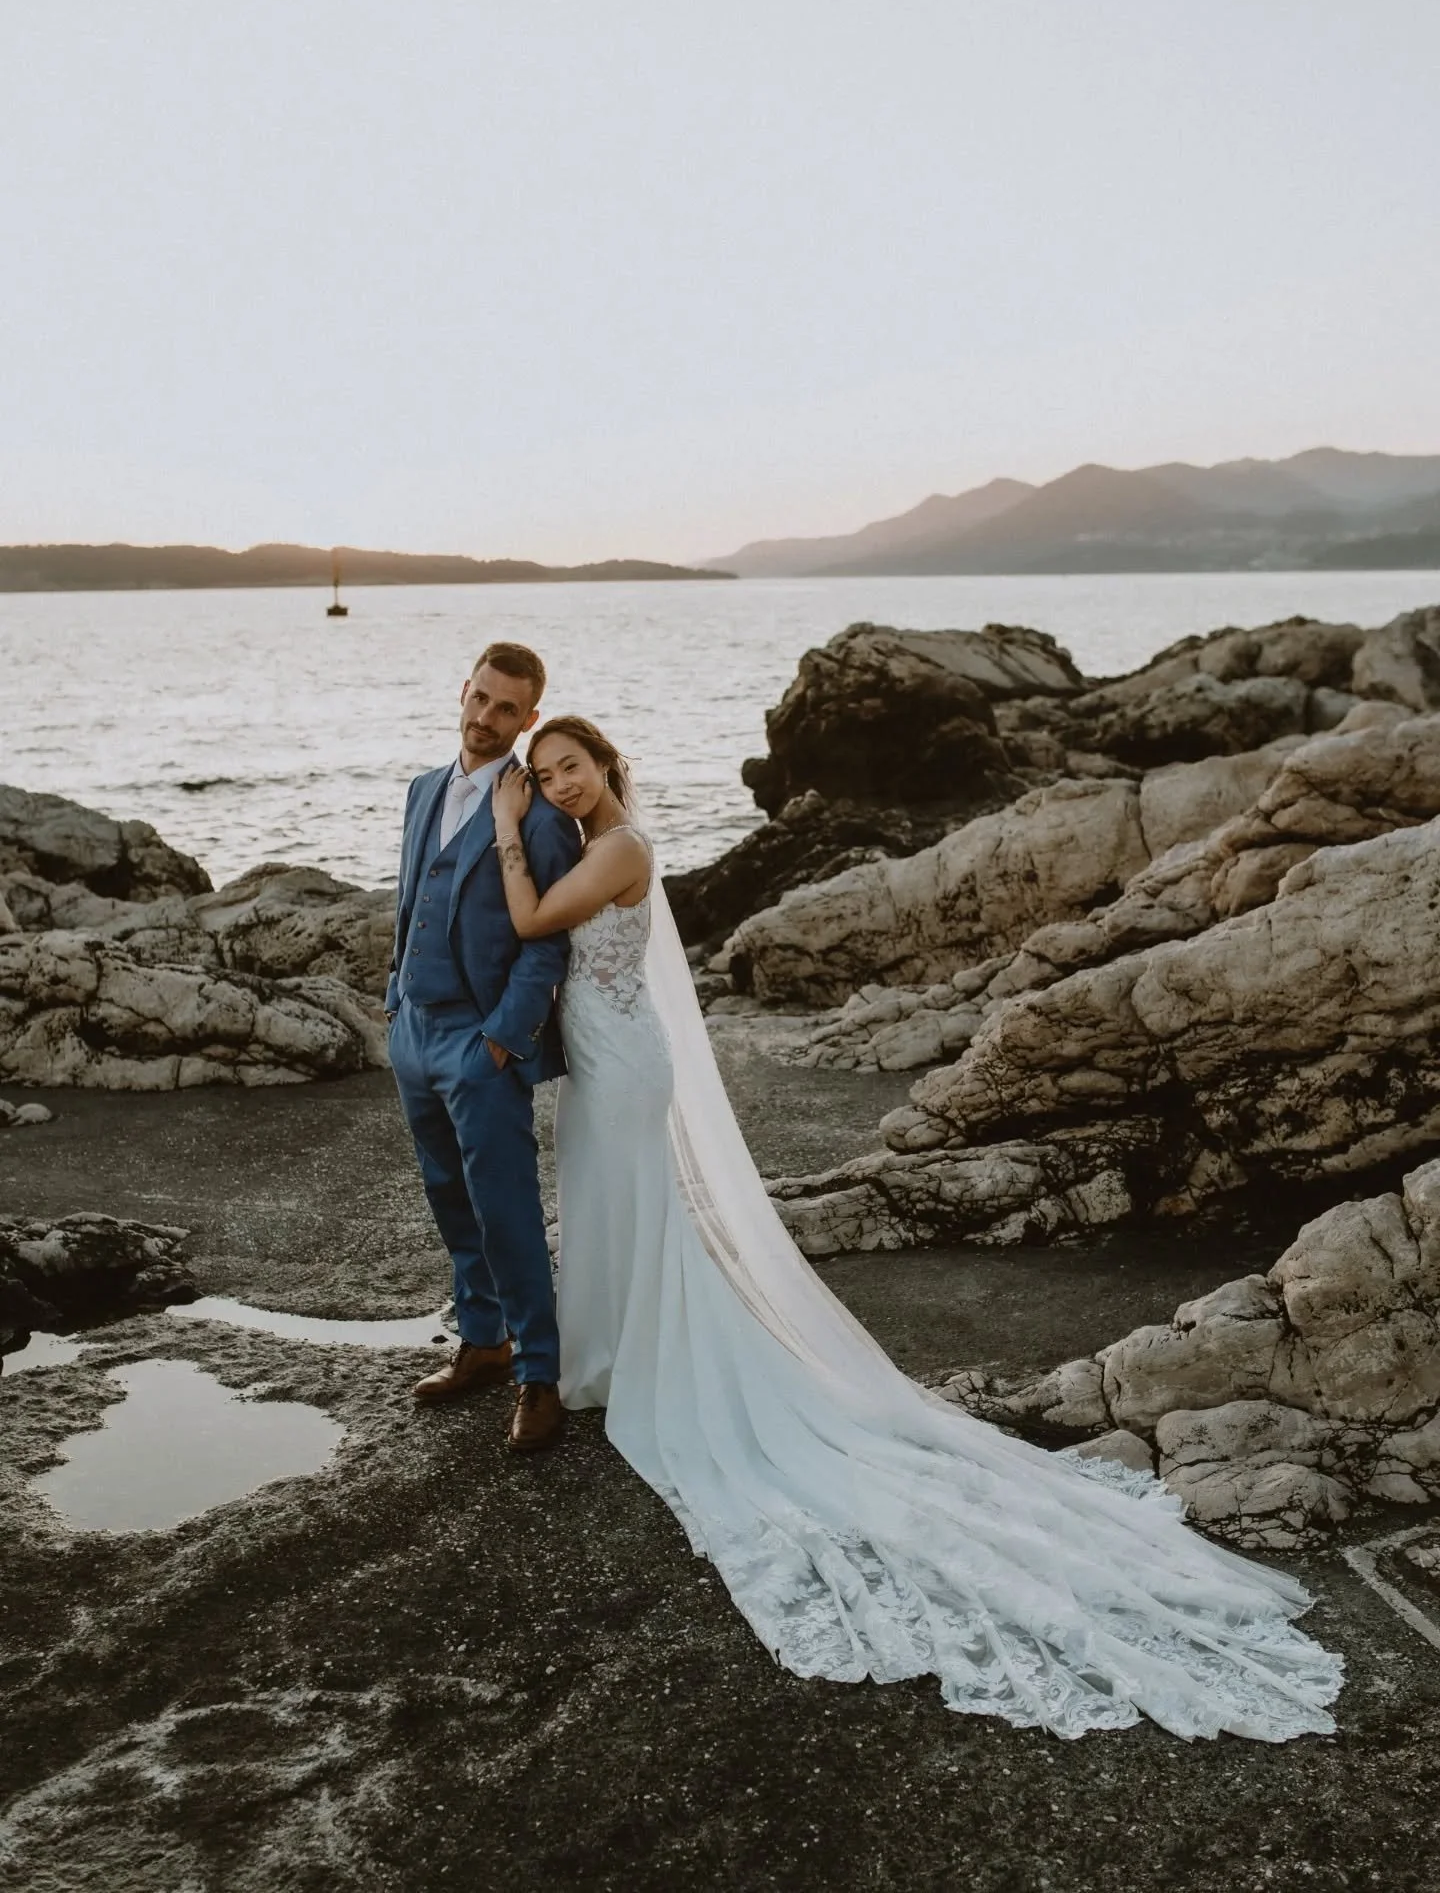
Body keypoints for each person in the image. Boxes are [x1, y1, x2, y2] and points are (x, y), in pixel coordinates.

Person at [490, 714, 1345, 1741]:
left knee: (637, 1209)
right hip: (604, 1060)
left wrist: (503, 829)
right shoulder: (594, 841)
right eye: (539, 778)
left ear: (603, 762)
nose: (555, 785)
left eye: (565, 766)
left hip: (624, 1068)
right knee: (615, 1209)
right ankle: (616, 1353)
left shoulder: (620, 846)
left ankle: (645, 1364)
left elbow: (536, 924)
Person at [385, 642, 581, 1453]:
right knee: (448, 1196)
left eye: (507, 710)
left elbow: (549, 943)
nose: (486, 718)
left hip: (480, 1042)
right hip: (414, 1032)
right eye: (480, 698)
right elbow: (409, 898)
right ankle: (484, 1341)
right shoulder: (423, 790)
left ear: (527, 720)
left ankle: (541, 1376)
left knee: (506, 1211)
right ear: (462, 690)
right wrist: (394, 998)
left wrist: (503, 1040)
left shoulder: (542, 818)